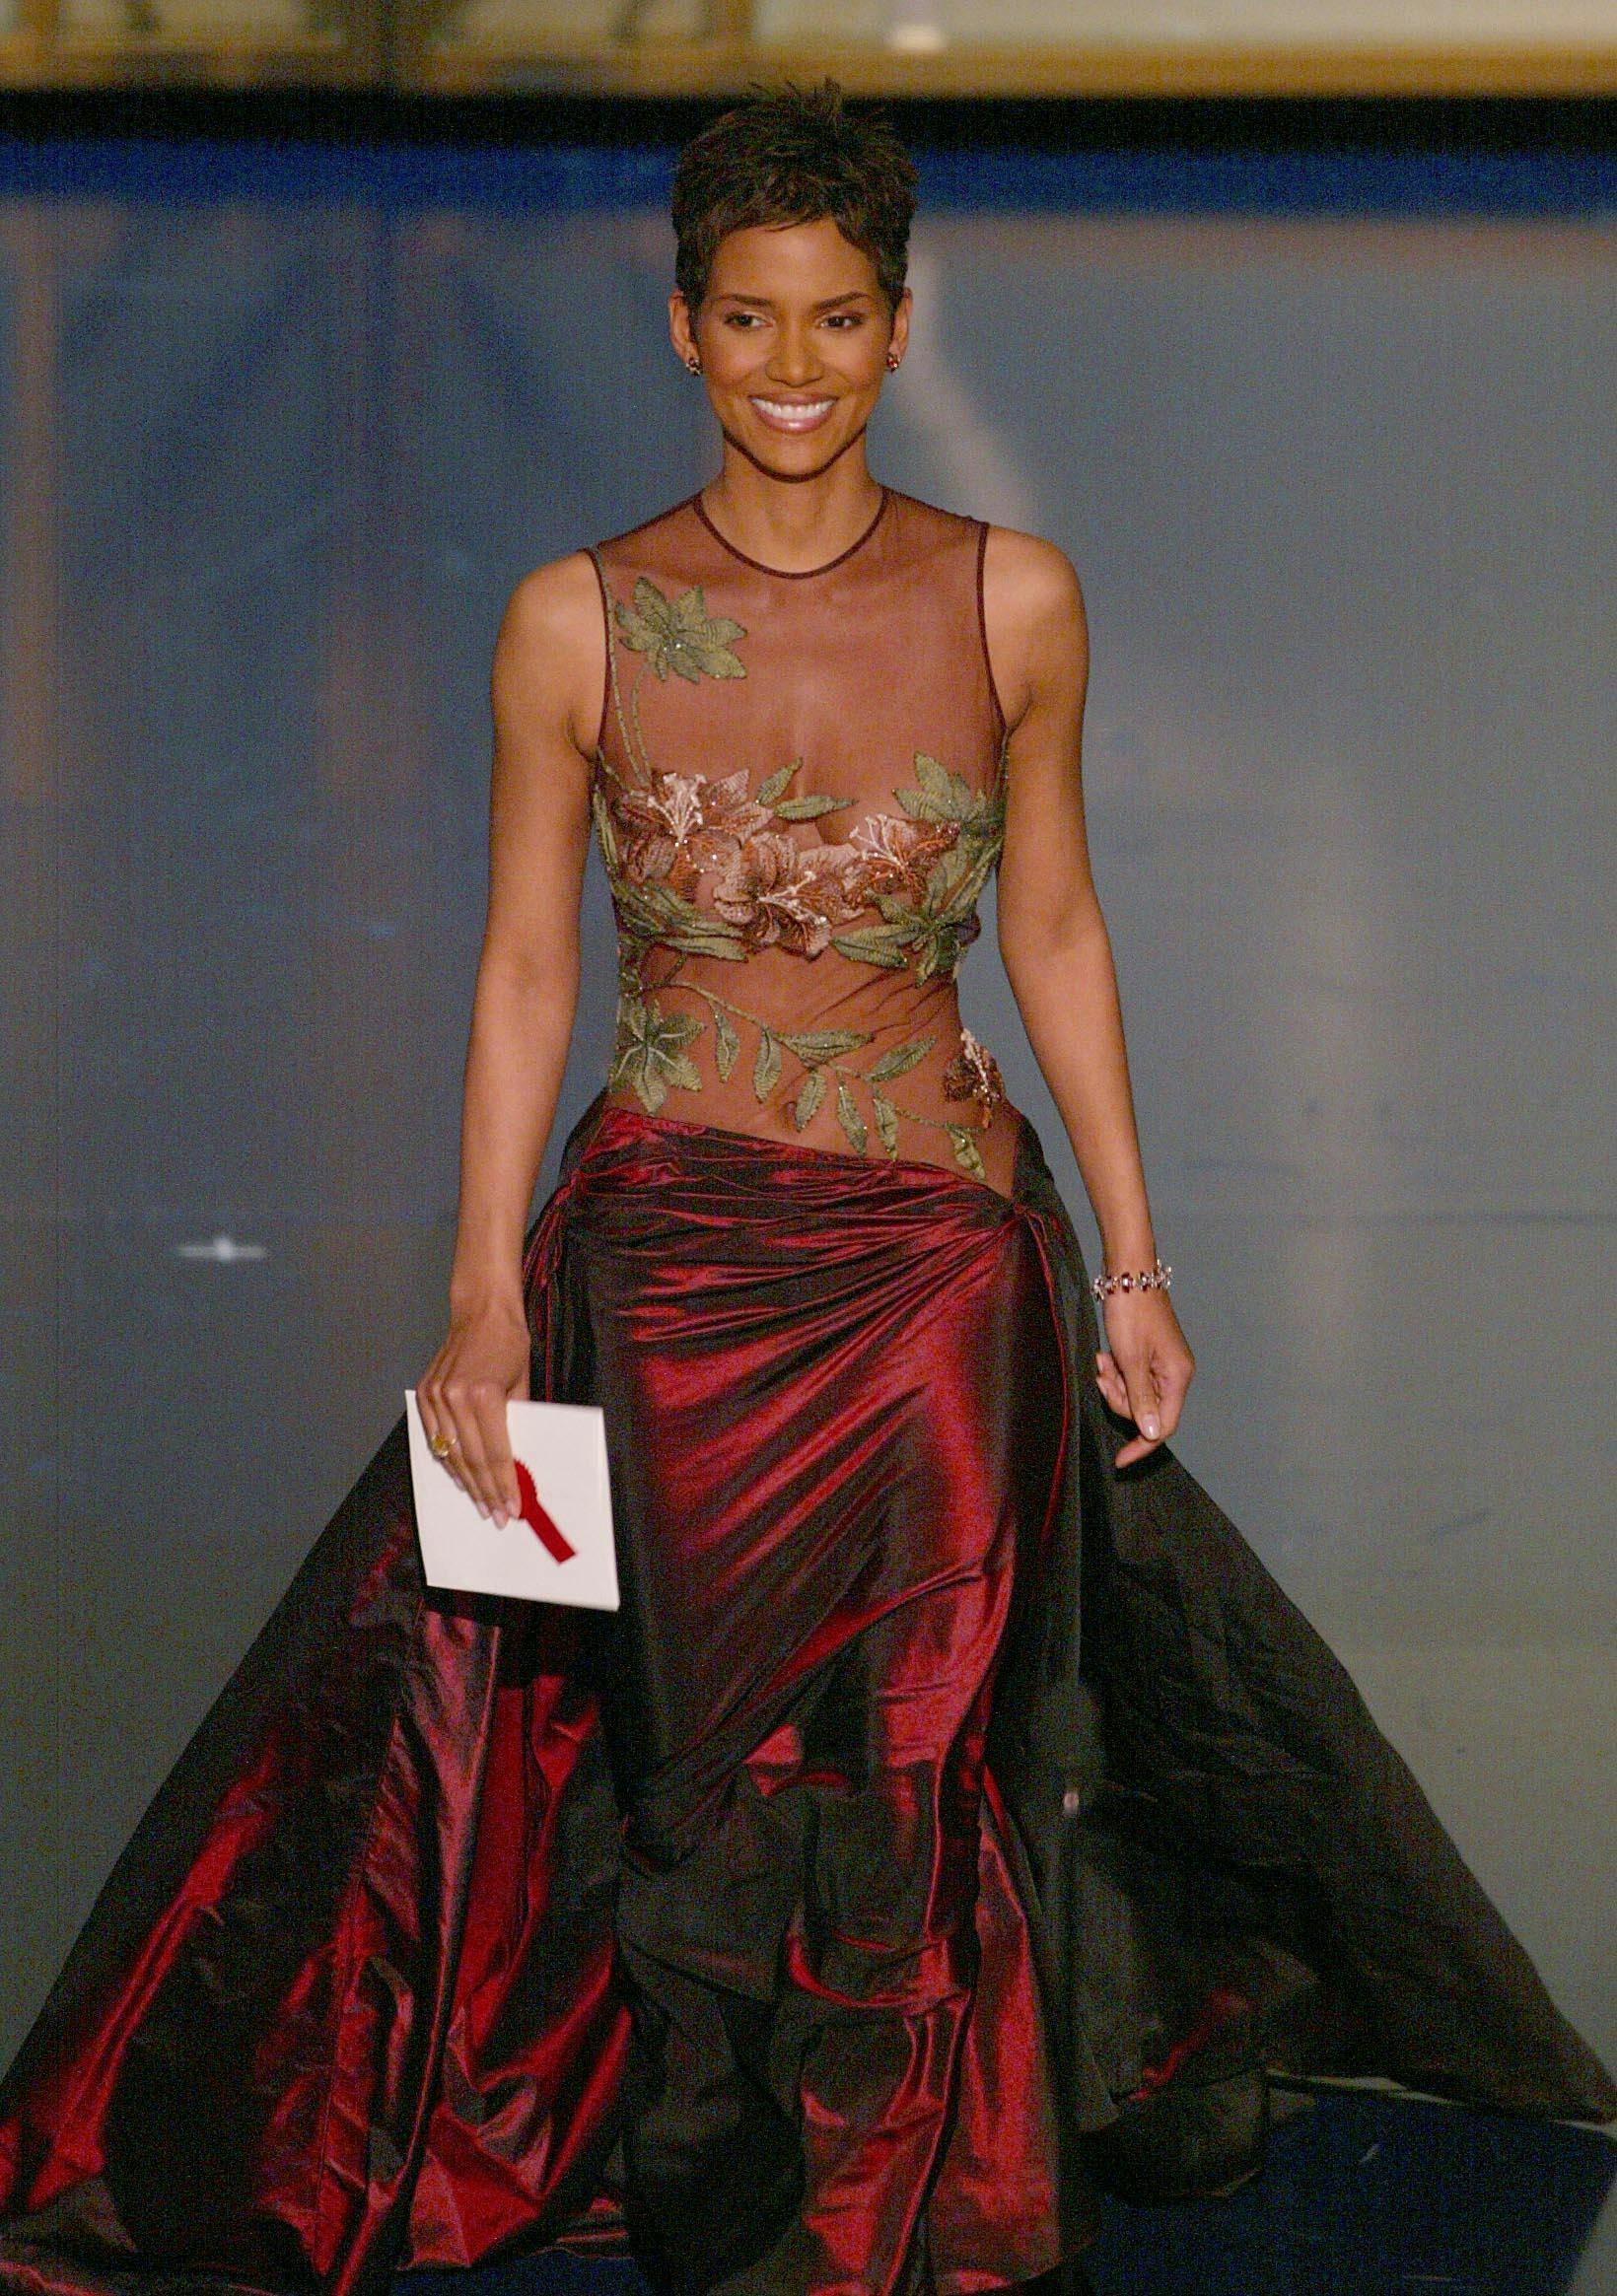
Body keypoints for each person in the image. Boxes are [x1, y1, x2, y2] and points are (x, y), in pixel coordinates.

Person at [0, 79, 1611, 2296]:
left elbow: (1050, 922)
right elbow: (519, 965)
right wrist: (483, 1291)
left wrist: (1133, 1257)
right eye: (747, 320)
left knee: (916, 1731)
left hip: (941, 1237)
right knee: (674, 1749)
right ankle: (729, 2137)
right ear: (679, 327)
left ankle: (886, 2193)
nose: (790, 367)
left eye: (836, 321)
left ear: (894, 325)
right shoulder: (574, 620)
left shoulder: (1009, 597)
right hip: (659, 1243)